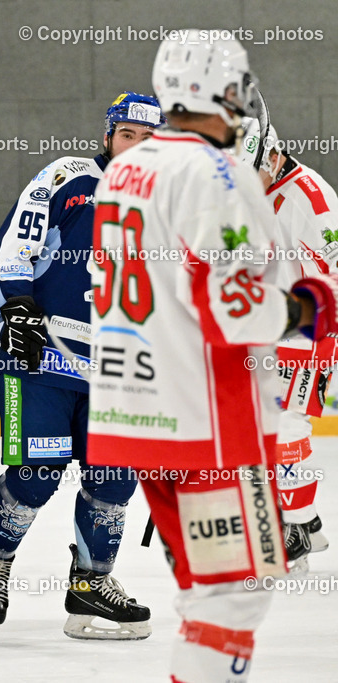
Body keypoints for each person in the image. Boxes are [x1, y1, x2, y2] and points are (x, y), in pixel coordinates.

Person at [88, 32, 336, 682]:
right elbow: (232, 306)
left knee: (209, 584)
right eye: (239, 85)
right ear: (221, 91)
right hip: (208, 428)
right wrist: (305, 308)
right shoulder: (217, 169)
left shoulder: (124, 169)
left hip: (135, 418)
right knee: (239, 584)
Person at [0, 92, 162, 640]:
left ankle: (90, 586)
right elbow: (11, 247)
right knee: (35, 475)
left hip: (118, 368)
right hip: (43, 355)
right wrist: (17, 305)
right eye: (128, 135)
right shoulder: (69, 177)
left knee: (113, 481)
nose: (137, 148)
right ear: (108, 137)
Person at [237, 116, 333, 569]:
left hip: (309, 332)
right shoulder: (258, 188)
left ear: (272, 156)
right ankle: (308, 525)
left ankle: (293, 529)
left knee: (286, 427)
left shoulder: (311, 202)